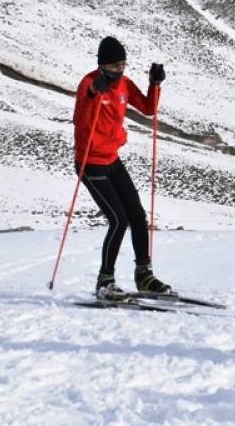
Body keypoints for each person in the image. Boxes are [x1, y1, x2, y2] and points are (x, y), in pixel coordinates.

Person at [74, 36, 174, 300]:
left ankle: (144, 275)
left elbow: (149, 109)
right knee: (119, 220)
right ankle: (104, 281)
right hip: (90, 161)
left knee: (138, 216)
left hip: (112, 159)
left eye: (123, 64)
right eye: (116, 65)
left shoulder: (124, 84)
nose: (121, 69)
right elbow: (81, 120)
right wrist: (95, 93)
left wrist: (154, 84)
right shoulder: (89, 83)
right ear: (103, 65)